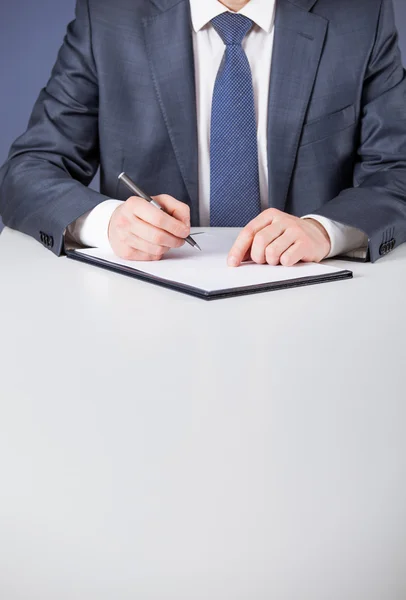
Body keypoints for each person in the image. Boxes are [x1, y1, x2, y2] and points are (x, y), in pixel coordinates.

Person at [1, 0, 406, 267]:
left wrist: (324, 230)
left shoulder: (360, 15)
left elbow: (398, 170)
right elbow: (28, 170)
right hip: (148, 308)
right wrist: (108, 222)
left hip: (311, 299)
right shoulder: (109, 15)